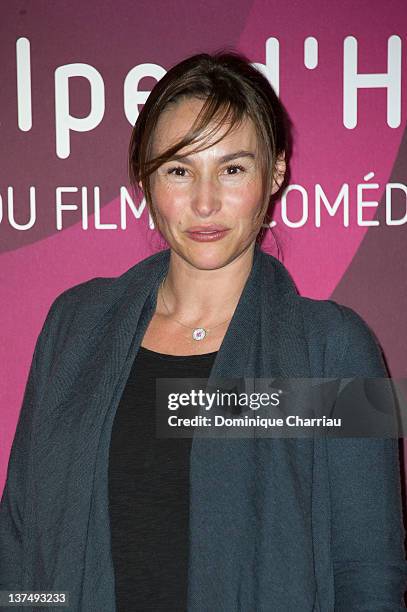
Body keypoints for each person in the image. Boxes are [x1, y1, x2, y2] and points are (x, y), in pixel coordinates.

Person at [1, 49, 406, 612]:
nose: (205, 201)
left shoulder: (336, 348)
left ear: (276, 173)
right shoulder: (75, 327)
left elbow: (368, 578)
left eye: (232, 168)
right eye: (179, 169)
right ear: (146, 177)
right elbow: (19, 544)